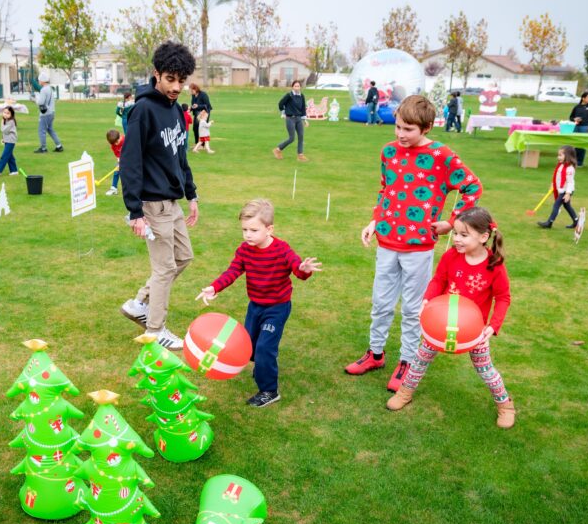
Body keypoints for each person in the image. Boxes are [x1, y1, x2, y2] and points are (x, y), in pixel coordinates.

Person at [346, 94, 483, 392]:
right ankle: (376, 353)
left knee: (411, 308)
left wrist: (452, 222)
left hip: (419, 248)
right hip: (386, 241)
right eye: (397, 127)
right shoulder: (388, 152)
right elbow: (385, 190)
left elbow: (473, 186)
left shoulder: (442, 156)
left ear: (427, 128)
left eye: (408, 129)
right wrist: (374, 221)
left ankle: (407, 361)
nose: (400, 134)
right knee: (381, 302)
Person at [385, 206, 515, 429]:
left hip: (473, 330)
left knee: (485, 369)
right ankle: (405, 392)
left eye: (464, 235)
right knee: (420, 358)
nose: (457, 239)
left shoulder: (494, 265)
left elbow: (503, 298)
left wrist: (492, 327)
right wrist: (427, 299)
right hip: (440, 324)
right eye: (455, 233)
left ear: (484, 237)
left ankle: (505, 405)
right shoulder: (451, 256)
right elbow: (438, 281)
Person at [197, 199, 321, 407]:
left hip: (277, 308)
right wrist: (214, 287)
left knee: (264, 348)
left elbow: (297, 268)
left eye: (253, 230)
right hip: (255, 305)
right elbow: (233, 271)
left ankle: (269, 391)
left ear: (269, 229)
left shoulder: (282, 249)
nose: (248, 235)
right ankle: (262, 366)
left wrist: (304, 269)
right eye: (244, 229)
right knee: (250, 346)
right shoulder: (245, 250)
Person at [118, 41, 200, 351]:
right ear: (157, 75)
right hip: (152, 205)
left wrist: (191, 195)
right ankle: (155, 330)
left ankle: (140, 302)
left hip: (173, 203)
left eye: (181, 80)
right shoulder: (143, 110)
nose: (177, 86)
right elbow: (130, 162)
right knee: (164, 267)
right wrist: (135, 212)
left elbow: (180, 157)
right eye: (170, 79)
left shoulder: (177, 112)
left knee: (184, 257)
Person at [537, 145, 579, 229]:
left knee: (556, 205)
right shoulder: (561, 165)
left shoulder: (570, 169)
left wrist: (567, 193)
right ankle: (576, 221)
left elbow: (570, 182)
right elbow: (557, 177)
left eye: (560, 155)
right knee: (567, 206)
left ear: (567, 156)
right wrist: (553, 185)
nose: (558, 157)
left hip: (566, 191)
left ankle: (549, 222)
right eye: (558, 155)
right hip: (561, 189)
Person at [272, 80, 308, 161]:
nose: (297, 88)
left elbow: (303, 109)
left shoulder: (301, 96)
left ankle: (300, 155)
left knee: (301, 137)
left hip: (298, 119)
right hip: (290, 119)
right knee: (291, 138)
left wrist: (305, 120)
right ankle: (277, 150)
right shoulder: (289, 95)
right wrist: (283, 113)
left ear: (300, 87)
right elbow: (280, 104)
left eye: (298, 86)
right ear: (292, 87)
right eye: (295, 86)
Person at [34, 72, 64, 153]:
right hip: (51, 112)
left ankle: (43, 148)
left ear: (42, 81)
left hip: (45, 114)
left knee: (41, 130)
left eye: (39, 80)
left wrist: (35, 98)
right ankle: (59, 146)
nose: (38, 81)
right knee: (50, 130)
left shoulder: (43, 90)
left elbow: (41, 102)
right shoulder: (49, 88)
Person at [569, 91, 588, 167]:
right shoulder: (576, 107)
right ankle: (573, 161)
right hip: (575, 127)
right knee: (574, 144)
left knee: (582, 144)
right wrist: (575, 119)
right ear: (583, 98)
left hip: (584, 127)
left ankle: (580, 162)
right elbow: (571, 117)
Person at [0, 106, 18, 176]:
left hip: (11, 141)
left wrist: (2, 122)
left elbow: (3, 130)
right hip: (7, 140)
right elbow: (4, 133)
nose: (5, 114)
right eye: (4, 112)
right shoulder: (6, 120)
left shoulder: (11, 121)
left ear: (11, 114)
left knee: (5, 155)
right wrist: (3, 138)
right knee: (10, 156)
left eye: (8, 113)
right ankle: (14, 171)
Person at [104, 128, 124, 196]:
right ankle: (114, 188)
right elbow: (118, 155)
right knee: (116, 171)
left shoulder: (126, 140)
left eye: (117, 141)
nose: (116, 143)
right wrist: (119, 162)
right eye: (114, 143)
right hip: (122, 160)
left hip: (131, 159)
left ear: (119, 136)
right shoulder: (113, 146)